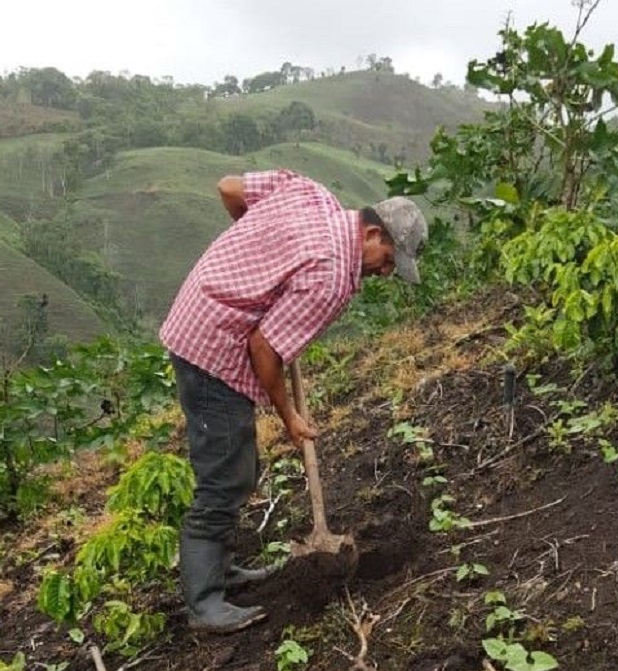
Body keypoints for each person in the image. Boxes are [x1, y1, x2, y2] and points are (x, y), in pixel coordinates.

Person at [160, 168, 428, 633]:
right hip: (212, 348)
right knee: (223, 477)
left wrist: (253, 249)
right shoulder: (330, 279)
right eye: (388, 259)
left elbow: (228, 187)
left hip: (196, 312)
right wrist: (289, 417)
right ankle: (204, 604)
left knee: (239, 467)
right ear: (370, 232)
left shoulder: (310, 192)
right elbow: (264, 349)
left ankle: (222, 572)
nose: (386, 273)